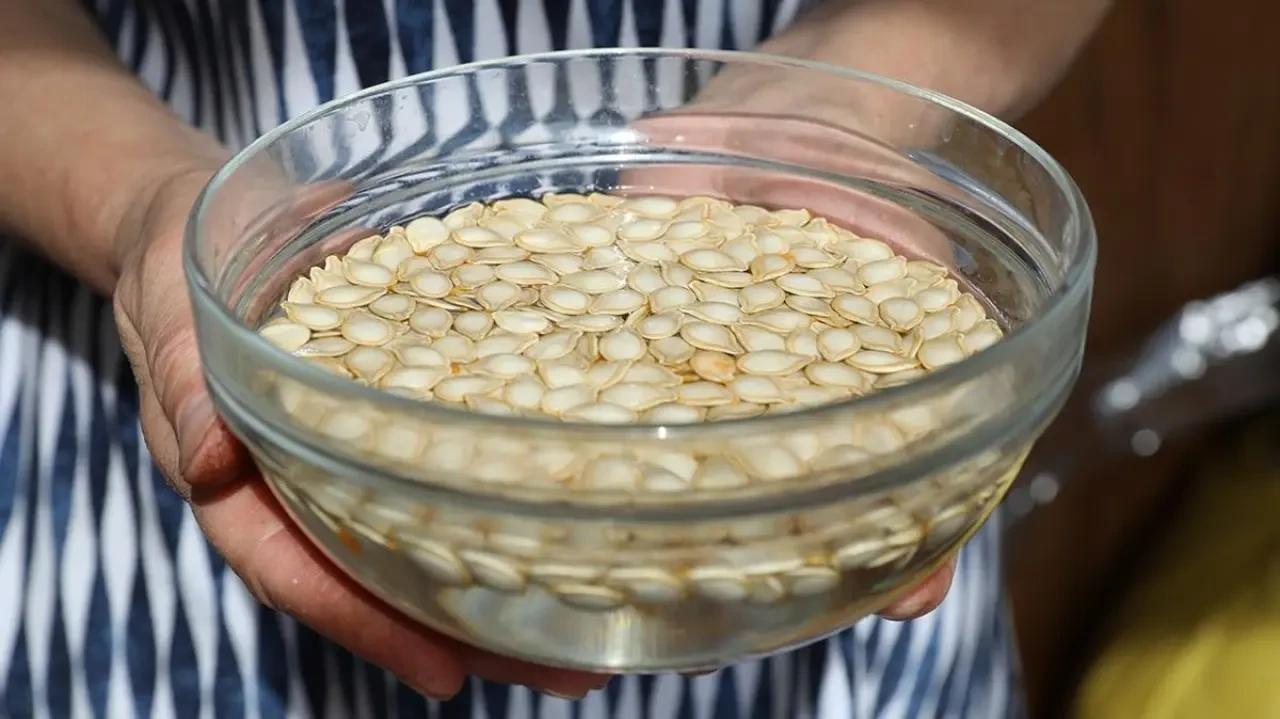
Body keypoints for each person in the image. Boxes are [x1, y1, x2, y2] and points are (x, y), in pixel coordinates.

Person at [0, 0, 1110, 716]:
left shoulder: (838, 318)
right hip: (209, 395)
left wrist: (858, 83)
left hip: (836, 486)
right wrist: (143, 198)